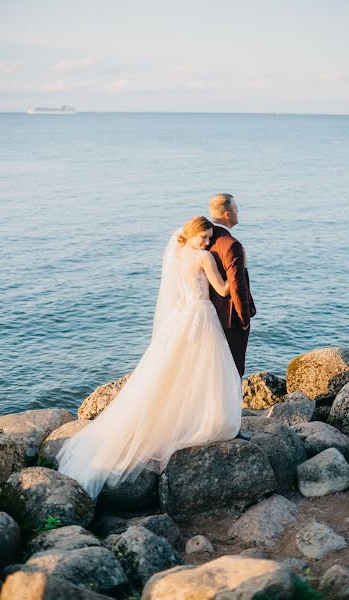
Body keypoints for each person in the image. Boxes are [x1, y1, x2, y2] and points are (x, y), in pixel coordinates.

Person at [57, 216, 242, 501]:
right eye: (203, 237)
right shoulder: (204, 257)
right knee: (205, 371)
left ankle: (182, 416)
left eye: (208, 238)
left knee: (178, 372)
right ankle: (199, 419)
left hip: (182, 317)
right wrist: (237, 272)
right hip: (201, 316)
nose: (206, 242)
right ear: (193, 235)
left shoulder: (179, 254)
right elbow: (221, 290)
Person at [208, 194, 256, 377]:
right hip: (231, 318)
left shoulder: (204, 239)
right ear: (227, 214)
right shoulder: (231, 244)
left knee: (215, 368)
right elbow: (237, 285)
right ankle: (231, 405)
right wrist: (244, 318)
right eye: (236, 209)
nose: (238, 212)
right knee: (234, 369)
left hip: (211, 314)